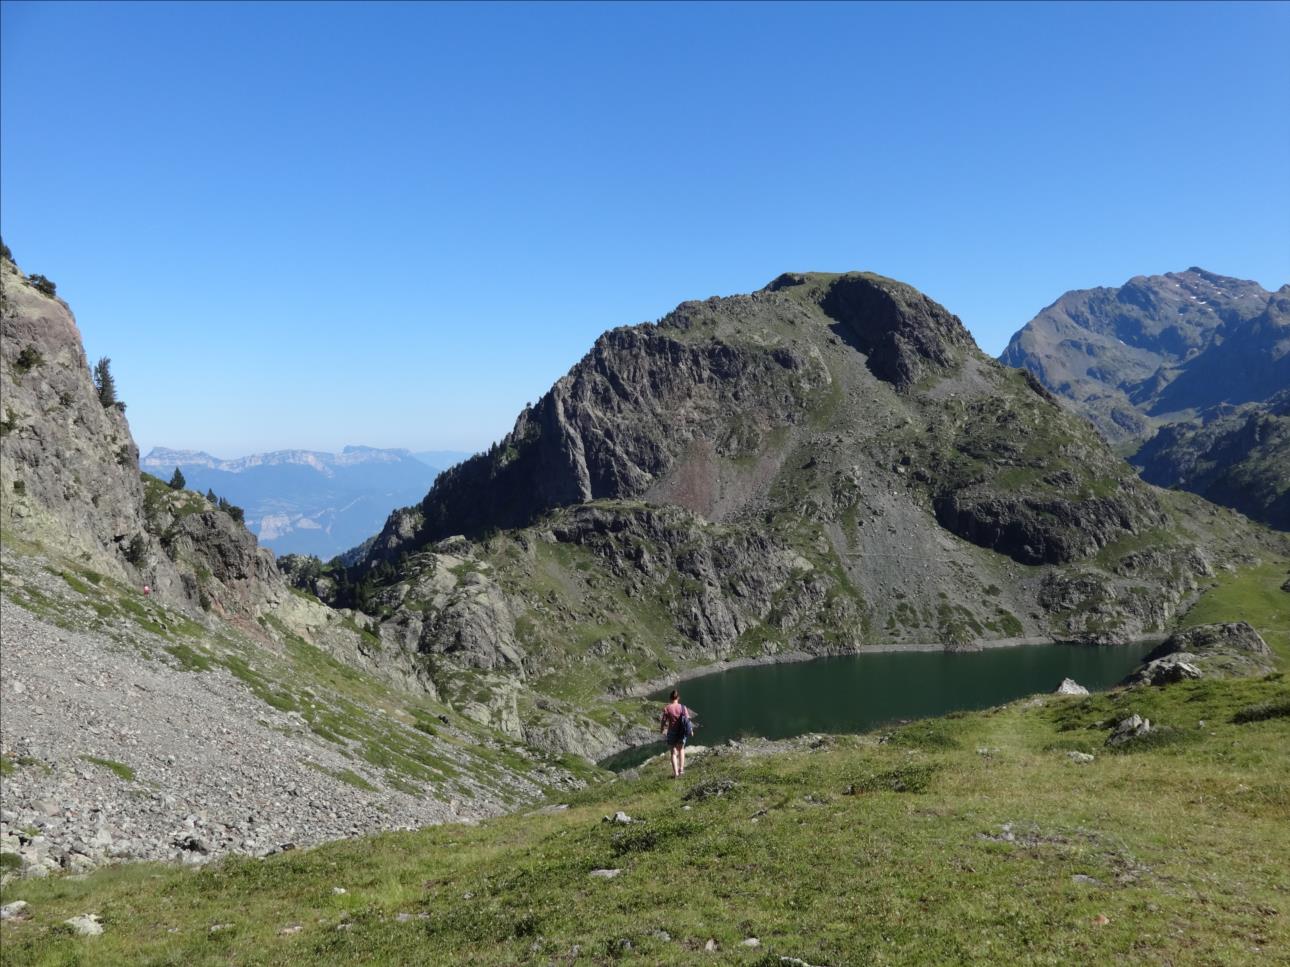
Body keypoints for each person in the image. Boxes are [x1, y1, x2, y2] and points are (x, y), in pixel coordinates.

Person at [659, 689, 695, 778]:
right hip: (682, 731)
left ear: (670, 698)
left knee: (673, 753)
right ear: (678, 697)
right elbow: (687, 720)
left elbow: (663, 720)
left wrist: (662, 729)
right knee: (681, 749)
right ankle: (681, 770)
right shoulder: (683, 707)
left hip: (671, 732)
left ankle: (676, 774)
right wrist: (691, 730)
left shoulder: (667, 708)